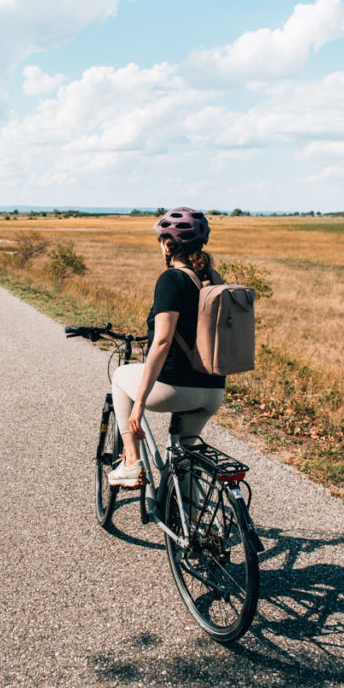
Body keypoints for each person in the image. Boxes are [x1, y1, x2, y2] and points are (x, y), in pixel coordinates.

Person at [108, 207, 225, 487]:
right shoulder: (214, 279)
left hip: (174, 389)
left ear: (168, 245)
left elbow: (161, 341)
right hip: (213, 391)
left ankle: (131, 462)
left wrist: (138, 406)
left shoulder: (172, 279)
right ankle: (190, 525)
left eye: (161, 240)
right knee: (184, 457)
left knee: (121, 376)